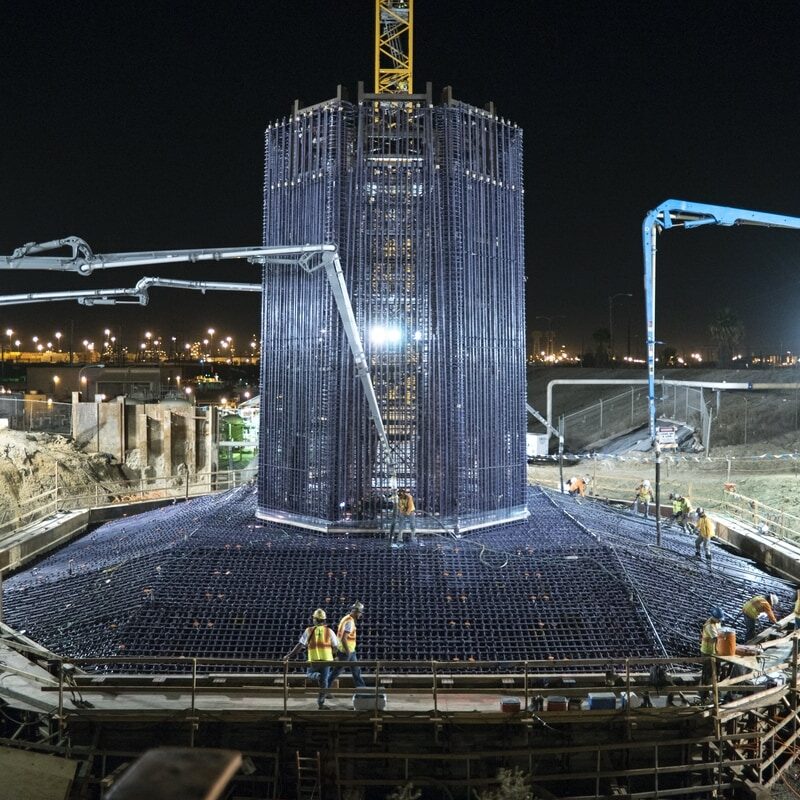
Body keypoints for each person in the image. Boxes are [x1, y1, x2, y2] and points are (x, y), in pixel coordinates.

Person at [284, 608, 343, 709]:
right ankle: (321, 704)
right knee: (324, 683)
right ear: (324, 620)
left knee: (309, 674)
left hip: (314, 660)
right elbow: (335, 646)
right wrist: (335, 656)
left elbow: (299, 646)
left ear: (315, 619)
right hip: (327, 661)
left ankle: (316, 676)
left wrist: (289, 656)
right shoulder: (329, 631)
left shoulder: (309, 630)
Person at [329, 601, 366, 689]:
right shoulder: (350, 622)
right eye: (360, 612)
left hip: (350, 651)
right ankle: (324, 689)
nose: (360, 615)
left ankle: (362, 689)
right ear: (356, 612)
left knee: (356, 671)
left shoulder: (346, 618)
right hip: (346, 652)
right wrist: (348, 652)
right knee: (336, 672)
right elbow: (344, 638)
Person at [699, 607, 724, 701]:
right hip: (707, 652)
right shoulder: (709, 625)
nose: (720, 620)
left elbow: (720, 632)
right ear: (714, 617)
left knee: (717, 672)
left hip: (715, 651)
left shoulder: (717, 622)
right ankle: (703, 695)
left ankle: (715, 693)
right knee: (707, 674)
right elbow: (717, 638)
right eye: (719, 619)